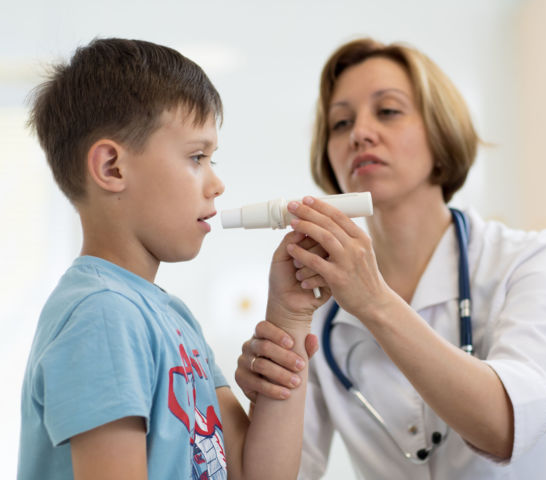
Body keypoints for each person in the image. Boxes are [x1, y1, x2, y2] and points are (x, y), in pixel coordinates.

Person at [234, 37, 546, 479]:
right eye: (340, 122)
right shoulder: (322, 314)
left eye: (388, 111)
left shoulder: (529, 261)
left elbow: (505, 429)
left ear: (440, 130)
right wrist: (275, 384)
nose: (359, 133)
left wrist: (374, 303)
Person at [18, 38, 328, 480]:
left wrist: (290, 316)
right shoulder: (103, 316)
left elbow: (256, 474)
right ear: (112, 168)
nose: (217, 184)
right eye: (197, 157)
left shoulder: (172, 318)